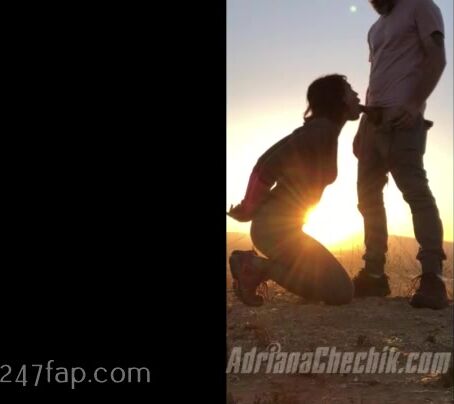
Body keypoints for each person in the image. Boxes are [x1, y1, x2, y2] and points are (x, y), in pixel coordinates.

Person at [228, 74, 360, 306]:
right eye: (350, 90)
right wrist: (249, 206)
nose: (357, 95)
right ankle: (255, 267)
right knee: (342, 292)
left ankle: (255, 269)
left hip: (280, 229)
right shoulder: (321, 132)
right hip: (275, 230)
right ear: (337, 99)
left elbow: (264, 161)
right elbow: (266, 166)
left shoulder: (320, 130)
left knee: (321, 287)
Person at [352, 0, 448, 309]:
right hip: (372, 120)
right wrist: (362, 127)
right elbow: (378, 74)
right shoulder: (375, 28)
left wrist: (414, 103)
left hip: (402, 120)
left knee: (416, 193)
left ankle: (433, 278)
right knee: (367, 197)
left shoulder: (421, 6)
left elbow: (437, 57)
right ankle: (374, 273)